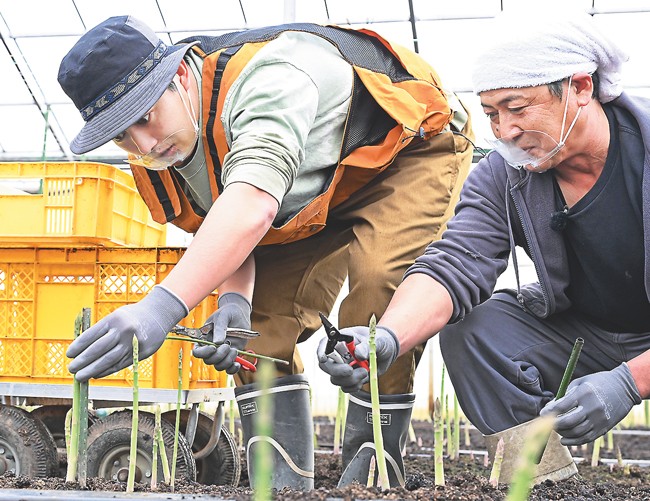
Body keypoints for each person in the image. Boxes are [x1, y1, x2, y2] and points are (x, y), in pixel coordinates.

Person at [58, 16, 474, 490]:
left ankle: (373, 477)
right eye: (122, 136)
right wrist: (233, 303)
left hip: (405, 150)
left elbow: (251, 206)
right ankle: (281, 485)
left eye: (145, 118)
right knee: (258, 332)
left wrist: (162, 307)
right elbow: (225, 221)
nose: (144, 144)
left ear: (177, 76)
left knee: (378, 294)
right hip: (311, 193)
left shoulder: (273, 77)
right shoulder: (166, 148)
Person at [318, 12, 649, 484]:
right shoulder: (506, 175)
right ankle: (539, 482)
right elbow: (455, 262)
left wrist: (631, 381)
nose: (504, 131)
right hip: (590, 334)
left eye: (518, 108)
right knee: (474, 329)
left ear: (580, 87)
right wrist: (387, 337)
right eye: (492, 113)